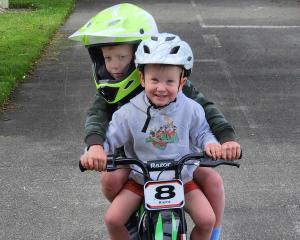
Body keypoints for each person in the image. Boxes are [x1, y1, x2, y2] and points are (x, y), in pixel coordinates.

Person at [69, 3, 241, 239]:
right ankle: (131, 222)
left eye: (121, 56)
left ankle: (214, 234)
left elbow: (205, 117)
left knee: (212, 186)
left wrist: (223, 140)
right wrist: (94, 147)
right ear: (142, 76)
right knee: (111, 186)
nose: (115, 65)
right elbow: (98, 120)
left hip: (180, 166)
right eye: (107, 58)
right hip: (138, 165)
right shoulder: (126, 109)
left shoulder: (183, 94)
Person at [103, 32, 222, 240]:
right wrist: (96, 153)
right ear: (142, 78)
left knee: (207, 220)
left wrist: (211, 144)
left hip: (181, 180)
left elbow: (203, 132)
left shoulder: (191, 109)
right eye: (154, 79)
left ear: (181, 83)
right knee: (113, 219)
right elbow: (110, 138)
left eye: (169, 81)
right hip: (141, 180)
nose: (161, 88)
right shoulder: (129, 112)